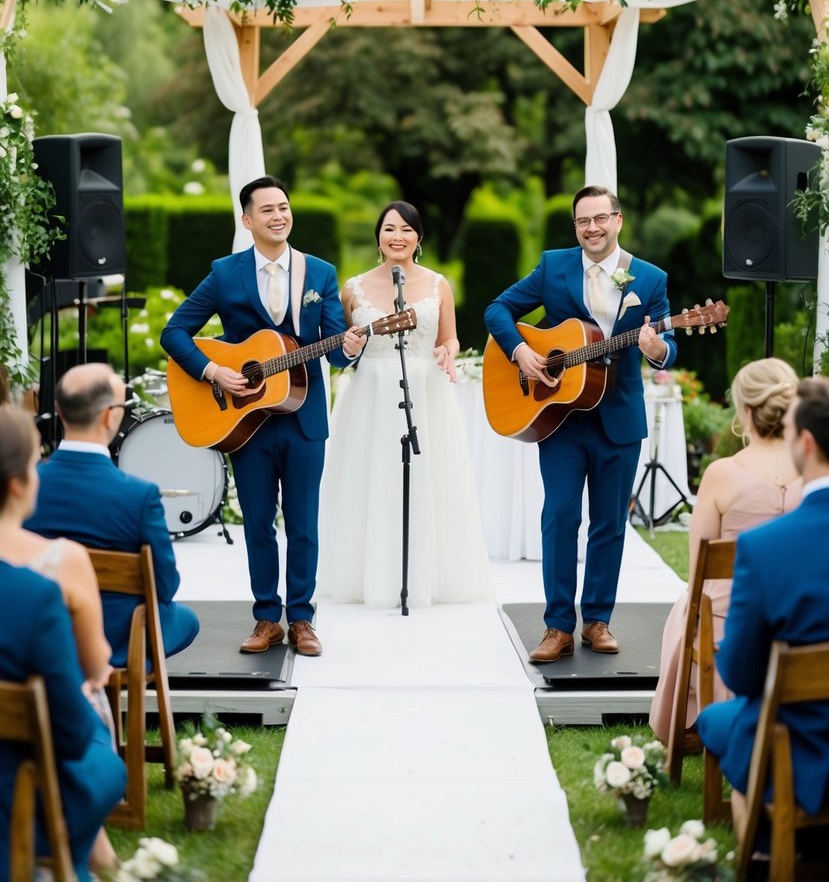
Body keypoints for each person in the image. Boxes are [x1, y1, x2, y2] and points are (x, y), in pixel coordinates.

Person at [160, 175, 366, 656]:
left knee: (303, 524)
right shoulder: (225, 273)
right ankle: (265, 618)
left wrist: (351, 347)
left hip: (303, 419)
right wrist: (214, 371)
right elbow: (175, 332)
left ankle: (302, 619)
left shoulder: (320, 273)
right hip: (245, 422)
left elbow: (335, 354)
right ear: (247, 219)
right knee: (257, 522)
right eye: (268, 209)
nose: (279, 215)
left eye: (284, 206)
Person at [485, 184, 677, 661]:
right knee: (560, 516)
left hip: (618, 419)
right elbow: (498, 309)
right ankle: (556, 627)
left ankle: (597, 621)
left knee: (610, 524)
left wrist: (658, 350)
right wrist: (521, 350)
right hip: (560, 418)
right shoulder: (554, 266)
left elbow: (670, 343)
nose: (591, 228)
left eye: (600, 218)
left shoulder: (649, 278)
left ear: (618, 220)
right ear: (575, 226)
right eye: (582, 221)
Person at [317, 201, 491, 608]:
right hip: (370, 394)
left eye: (406, 230)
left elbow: (448, 337)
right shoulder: (352, 288)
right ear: (378, 236)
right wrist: (351, 345)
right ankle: (368, 575)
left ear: (418, 238)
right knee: (371, 478)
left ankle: (425, 575)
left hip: (426, 391)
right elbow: (342, 348)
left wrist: (448, 353)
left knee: (429, 479)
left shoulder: (438, 284)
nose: (398, 237)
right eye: (389, 229)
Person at [698, 376, 829, 841]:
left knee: (720, 720)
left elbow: (740, 674)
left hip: (800, 745)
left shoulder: (765, 548)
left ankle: (761, 854)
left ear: (807, 442)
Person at [0, 404, 126, 882]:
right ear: (16, 484)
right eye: (36, 462)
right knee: (99, 749)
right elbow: (70, 736)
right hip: (18, 775)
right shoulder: (35, 596)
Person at [649, 357, 802, 744]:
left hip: (729, 624)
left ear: (745, 411)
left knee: (687, 603)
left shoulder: (721, 474)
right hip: (798, 616)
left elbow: (699, 562)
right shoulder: (816, 472)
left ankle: (698, 717)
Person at [26, 362, 199, 668]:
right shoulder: (138, 495)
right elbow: (164, 586)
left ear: (60, 412)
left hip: (43, 639)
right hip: (120, 644)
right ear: (109, 416)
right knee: (186, 619)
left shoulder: (26, 487)